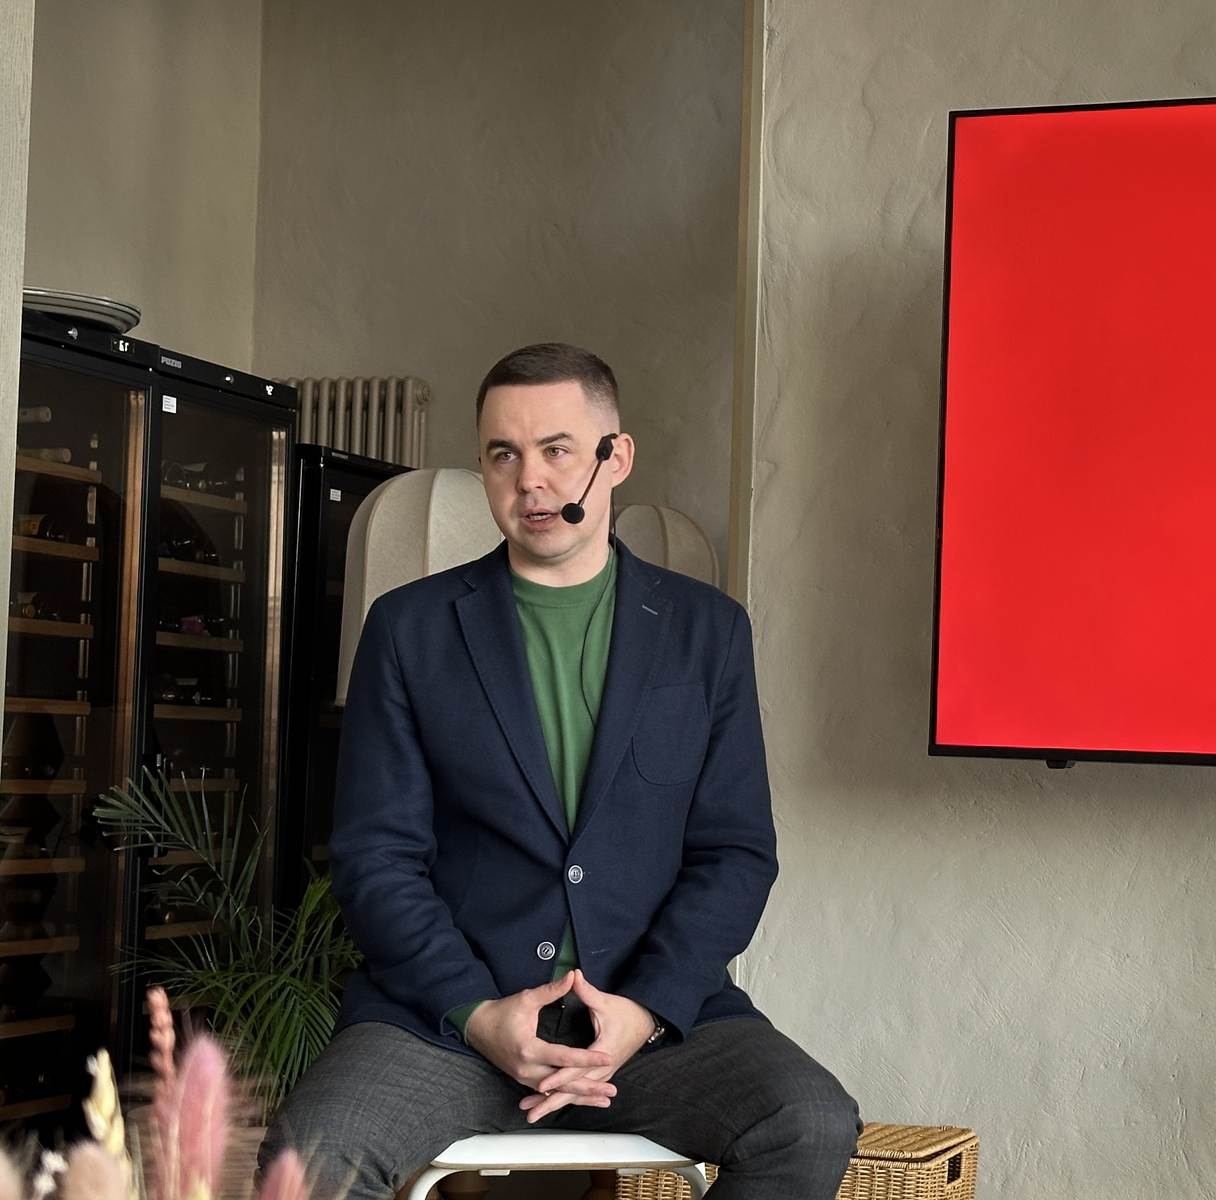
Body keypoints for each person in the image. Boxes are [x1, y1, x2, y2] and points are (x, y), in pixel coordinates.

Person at [259, 343, 860, 1199]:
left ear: (617, 457)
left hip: (650, 1027)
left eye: (557, 450)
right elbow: (375, 857)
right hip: (449, 1026)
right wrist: (479, 1014)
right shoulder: (407, 629)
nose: (530, 480)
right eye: (503, 454)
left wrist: (644, 1010)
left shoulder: (709, 632)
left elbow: (735, 854)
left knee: (810, 1121)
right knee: (310, 1159)